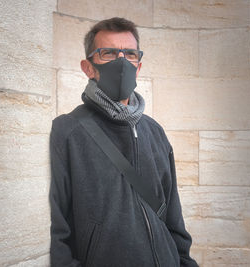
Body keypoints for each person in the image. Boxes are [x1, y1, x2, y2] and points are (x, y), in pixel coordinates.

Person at [49, 17, 198, 267]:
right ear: (88, 67)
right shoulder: (67, 131)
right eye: (108, 53)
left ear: (138, 67)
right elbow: (57, 232)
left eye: (129, 54)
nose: (121, 62)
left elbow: (174, 218)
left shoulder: (155, 132)